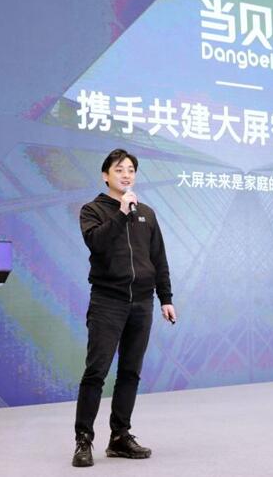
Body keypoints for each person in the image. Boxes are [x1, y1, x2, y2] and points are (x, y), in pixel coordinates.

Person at [72, 148, 177, 467]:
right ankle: (83, 440)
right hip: (108, 302)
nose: (126, 175)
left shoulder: (146, 213)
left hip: (142, 303)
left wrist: (166, 298)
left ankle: (119, 437)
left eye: (131, 169)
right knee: (96, 372)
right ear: (105, 175)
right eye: (119, 170)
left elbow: (158, 258)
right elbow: (97, 244)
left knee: (130, 372)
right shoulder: (92, 210)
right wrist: (120, 213)